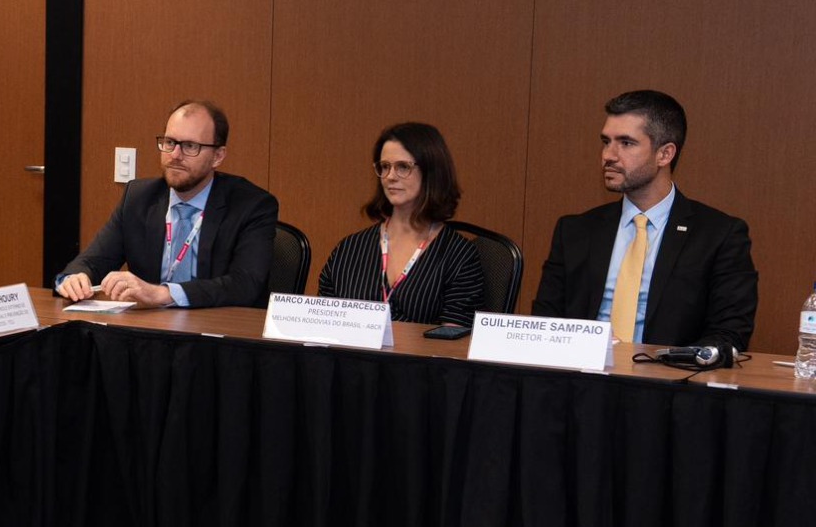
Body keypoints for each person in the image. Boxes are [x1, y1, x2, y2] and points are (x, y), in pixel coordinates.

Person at [531, 90, 757, 353]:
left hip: (668, 375)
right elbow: (544, 324)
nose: (608, 155)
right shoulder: (575, 230)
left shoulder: (719, 235)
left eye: (626, 143)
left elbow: (730, 333)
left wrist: (665, 364)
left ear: (665, 154)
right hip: (581, 373)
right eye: (606, 141)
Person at [55, 100, 277, 308]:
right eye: (170, 143)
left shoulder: (251, 206)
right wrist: (74, 278)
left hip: (216, 330)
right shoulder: (139, 198)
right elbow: (93, 260)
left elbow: (245, 284)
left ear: (218, 156)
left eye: (190, 146)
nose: (175, 155)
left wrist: (163, 294)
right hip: (150, 328)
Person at [316, 122, 484, 325]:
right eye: (385, 167)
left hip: (420, 348)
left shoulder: (459, 256)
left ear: (431, 172)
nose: (390, 177)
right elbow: (323, 327)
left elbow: (451, 337)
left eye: (403, 167)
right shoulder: (349, 250)